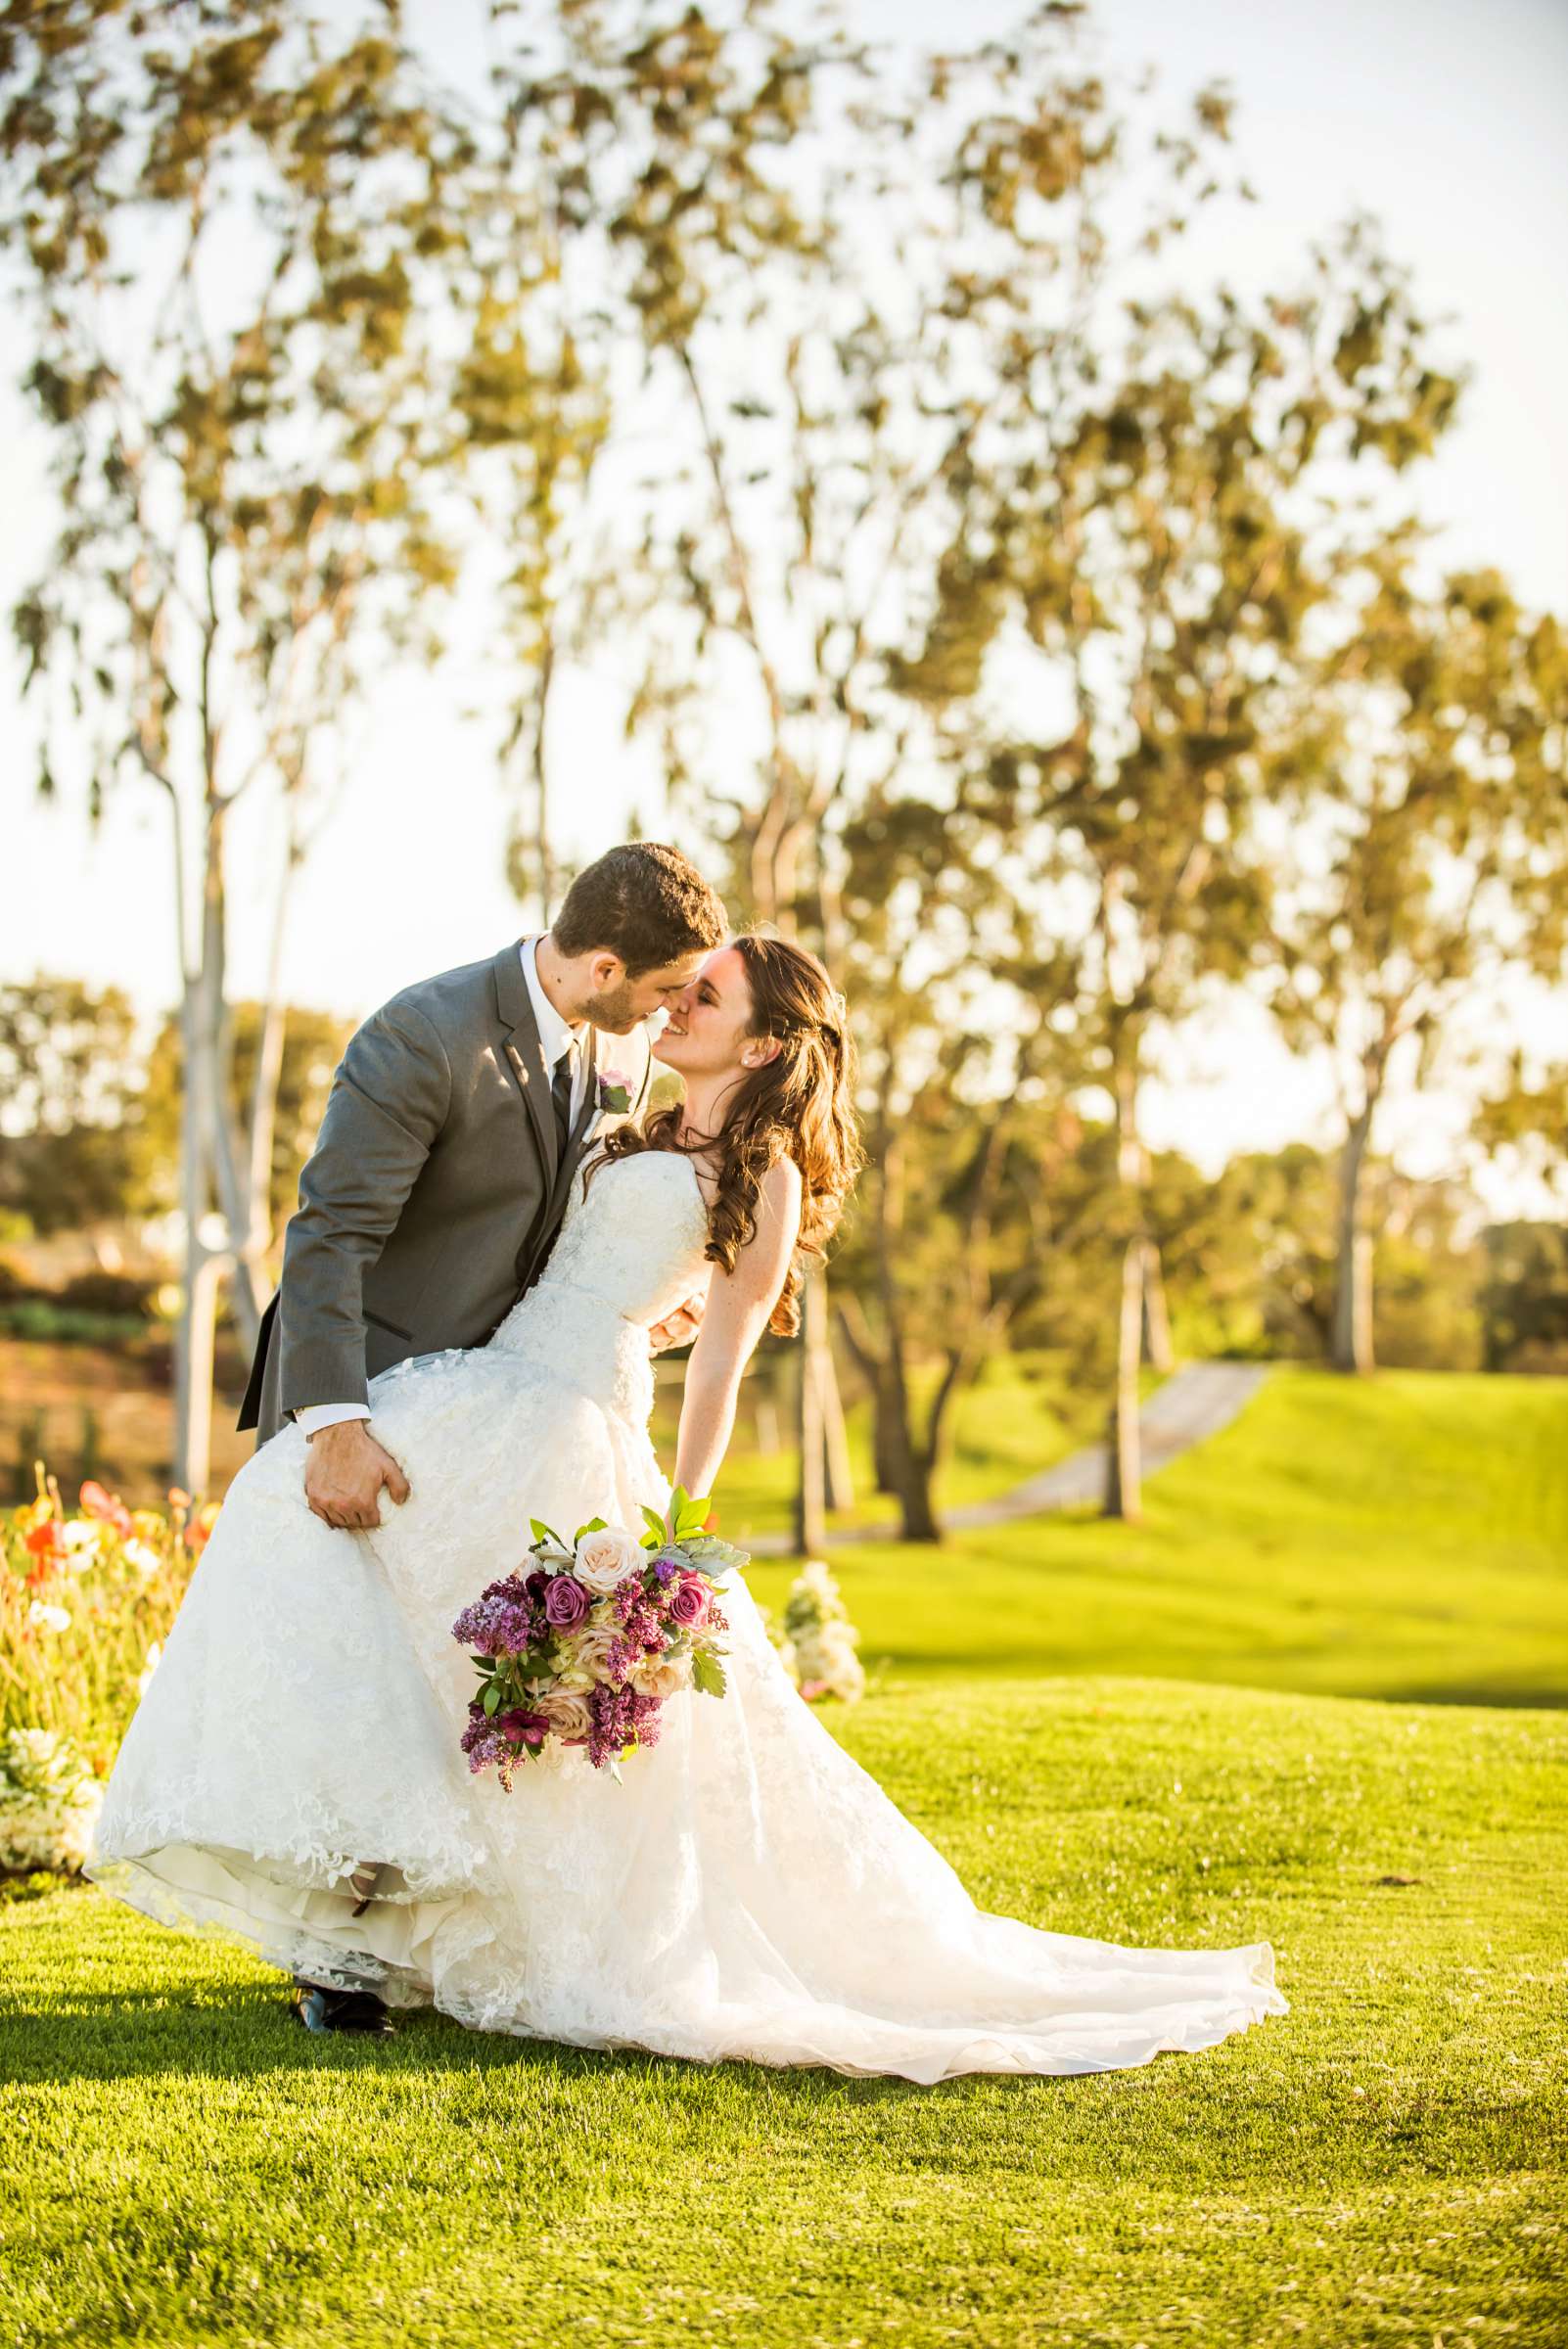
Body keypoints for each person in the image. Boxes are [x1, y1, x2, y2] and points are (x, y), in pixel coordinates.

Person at [87, 933, 1286, 2081]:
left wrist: (678, 1536)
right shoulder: (623, 1119)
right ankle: (356, 1928)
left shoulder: (760, 1178)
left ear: (763, 1047)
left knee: (520, 1684)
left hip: (571, 1427)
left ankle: (386, 1944)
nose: (677, 1005)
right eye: (682, 986)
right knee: (349, 1585)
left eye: (705, 997)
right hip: (484, 1388)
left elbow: (722, 1360)